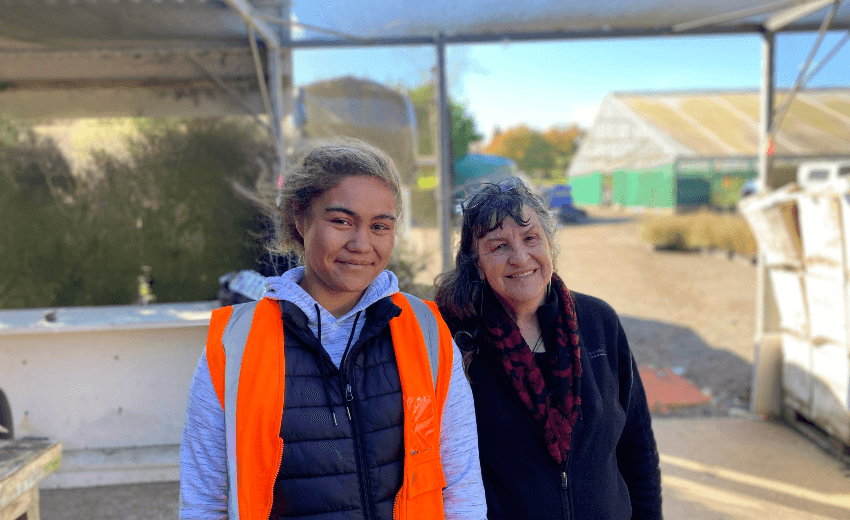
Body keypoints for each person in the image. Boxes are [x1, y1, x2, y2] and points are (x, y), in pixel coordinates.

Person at [180, 141, 486, 520]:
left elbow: (461, 486)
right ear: (299, 218)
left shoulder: (427, 332)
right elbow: (204, 501)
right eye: (341, 221)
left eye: (380, 226)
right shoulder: (234, 345)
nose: (361, 244)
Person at [434, 178, 662, 520]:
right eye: (499, 247)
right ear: (476, 263)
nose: (520, 257)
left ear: (549, 245)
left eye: (530, 239)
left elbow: (637, 444)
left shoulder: (599, 322)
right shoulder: (455, 339)